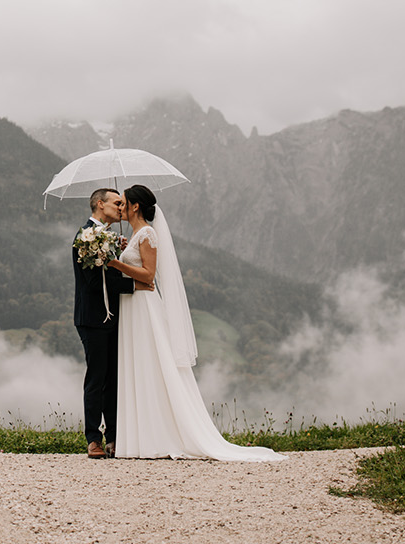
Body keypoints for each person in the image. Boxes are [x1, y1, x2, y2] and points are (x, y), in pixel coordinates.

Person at [106, 184, 284, 461]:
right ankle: (140, 436)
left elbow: (148, 276)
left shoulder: (147, 234)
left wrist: (117, 265)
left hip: (144, 308)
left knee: (152, 364)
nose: (120, 208)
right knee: (138, 365)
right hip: (132, 305)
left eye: (123, 203)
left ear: (135, 206)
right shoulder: (133, 235)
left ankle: (159, 435)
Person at [72, 187, 136, 458]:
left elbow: (108, 270)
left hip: (113, 317)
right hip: (93, 318)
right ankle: (93, 439)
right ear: (100, 204)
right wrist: (137, 283)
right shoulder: (86, 236)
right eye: (117, 203)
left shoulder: (107, 237)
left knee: (113, 377)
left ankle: (114, 437)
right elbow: (95, 282)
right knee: (97, 377)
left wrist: (116, 252)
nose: (121, 208)